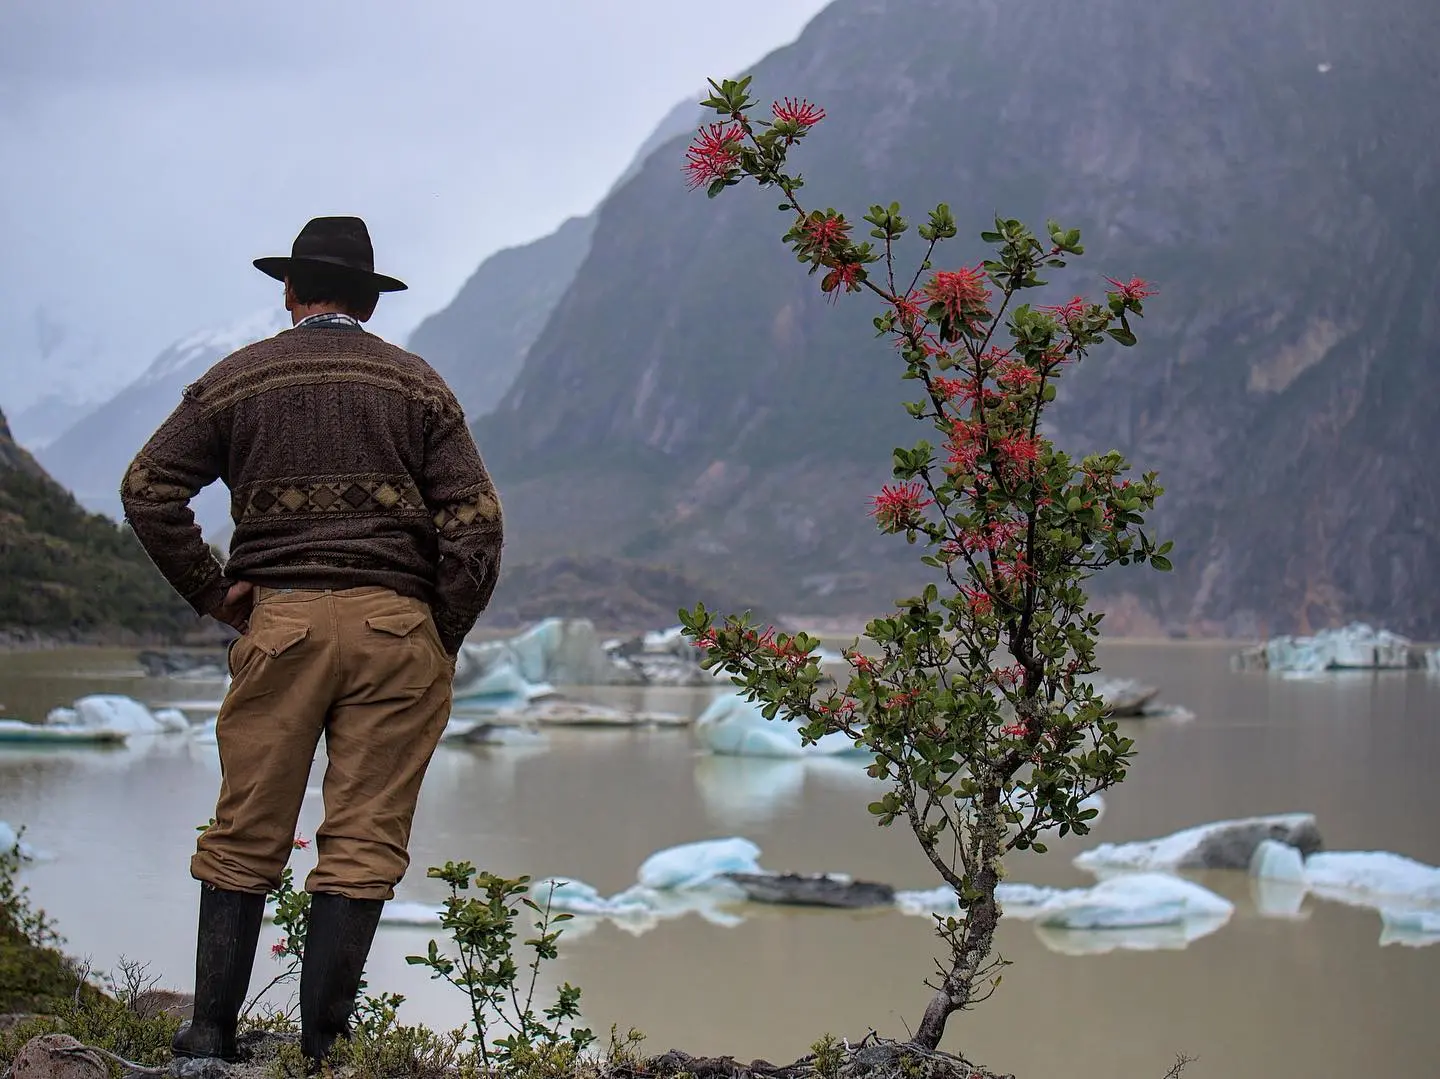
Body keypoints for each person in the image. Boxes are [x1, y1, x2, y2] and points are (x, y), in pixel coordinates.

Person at [120, 216, 503, 1067]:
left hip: (281, 622)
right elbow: (478, 523)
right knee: (364, 837)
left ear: (291, 292)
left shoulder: (239, 378)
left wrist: (216, 593)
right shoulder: (420, 385)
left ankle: (209, 1032)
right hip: (395, 623)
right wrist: (438, 631)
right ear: (370, 301)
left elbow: (147, 488)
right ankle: (326, 1048)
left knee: (246, 827)